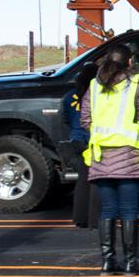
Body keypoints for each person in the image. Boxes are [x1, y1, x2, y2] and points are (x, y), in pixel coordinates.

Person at [81, 44, 139, 275]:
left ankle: (107, 261)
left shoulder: (94, 86)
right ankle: (131, 262)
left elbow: (85, 119)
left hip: (101, 154)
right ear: (129, 62)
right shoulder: (136, 83)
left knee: (108, 209)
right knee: (129, 209)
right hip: (128, 154)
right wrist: (137, 135)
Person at [60, 63, 97, 228]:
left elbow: (65, 119)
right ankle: (95, 219)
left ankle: (80, 217)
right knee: (97, 180)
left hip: (77, 140)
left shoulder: (69, 96)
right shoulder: (97, 95)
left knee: (83, 179)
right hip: (93, 139)